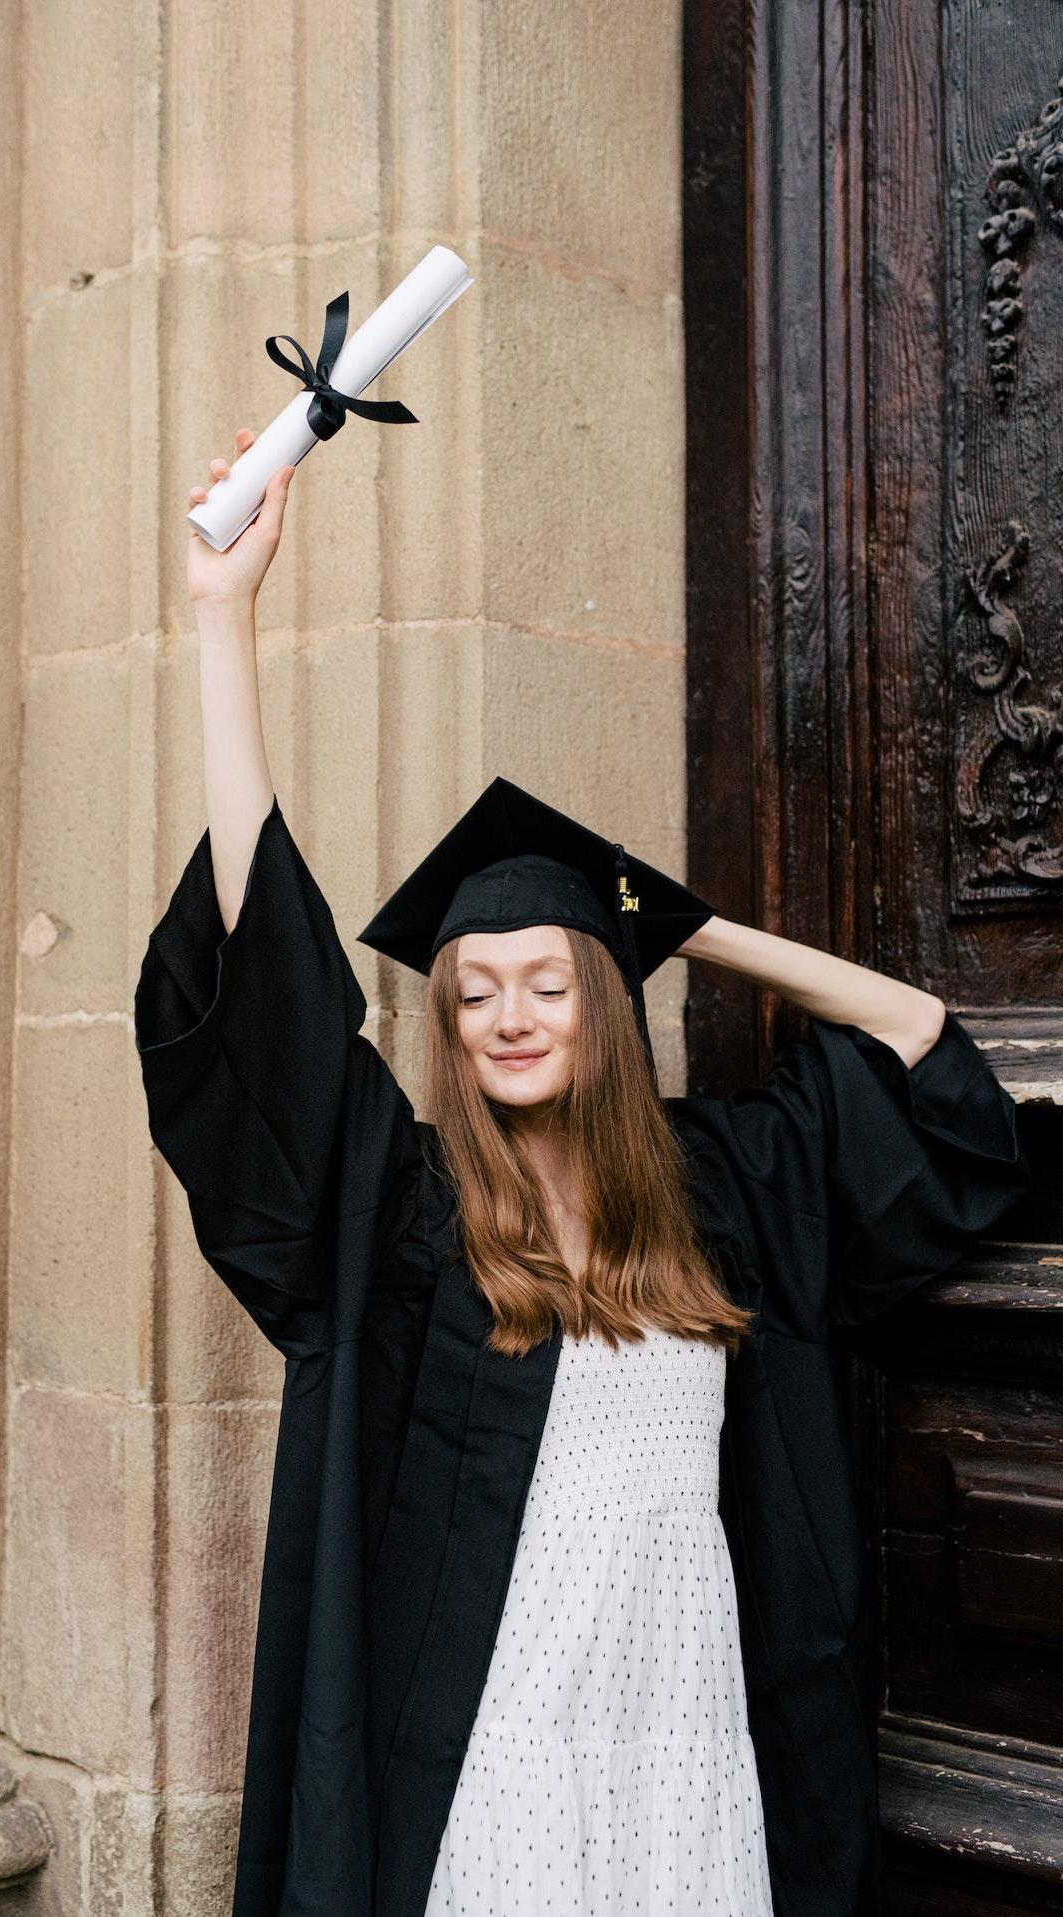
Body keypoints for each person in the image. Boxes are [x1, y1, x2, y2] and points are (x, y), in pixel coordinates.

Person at [133, 429, 1030, 1917]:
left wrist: (681, 925)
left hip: (685, 1714)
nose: (508, 1016)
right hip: (500, 1731)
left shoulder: (724, 1182)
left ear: (605, 1003)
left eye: (551, 981)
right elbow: (274, 1007)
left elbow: (920, 1046)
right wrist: (224, 621)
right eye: (475, 992)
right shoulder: (411, 1208)